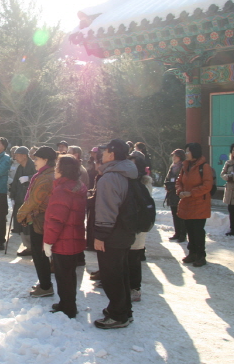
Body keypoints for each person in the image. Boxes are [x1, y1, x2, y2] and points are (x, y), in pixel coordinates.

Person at [93, 139, 138, 329]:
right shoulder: (128, 171)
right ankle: (124, 309)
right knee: (121, 273)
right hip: (125, 230)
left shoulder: (110, 177)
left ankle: (118, 315)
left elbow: (107, 209)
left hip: (112, 232)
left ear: (112, 154)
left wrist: (100, 235)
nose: (101, 154)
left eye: (104, 151)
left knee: (111, 275)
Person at [43, 155, 87, 318]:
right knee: (68, 275)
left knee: (64, 276)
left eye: (57, 167)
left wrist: (48, 241)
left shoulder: (62, 190)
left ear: (62, 170)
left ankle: (68, 307)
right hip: (73, 238)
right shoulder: (76, 186)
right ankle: (66, 303)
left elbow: (56, 220)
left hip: (63, 241)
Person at [17, 146, 57, 297]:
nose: (34, 161)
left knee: (39, 254)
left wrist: (21, 215)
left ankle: (46, 286)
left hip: (40, 220)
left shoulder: (45, 178)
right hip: (42, 217)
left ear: (45, 160)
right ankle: (44, 283)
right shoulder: (46, 174)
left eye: (37, 158)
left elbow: (33, 201)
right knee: (41, 253)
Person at [176, 142, 212, 267]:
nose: (186, 154)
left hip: (199, 203)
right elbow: (179, 181)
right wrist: (180, 191)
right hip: (187, 202)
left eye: (188, 151)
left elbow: (207, 185)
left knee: (198, 230)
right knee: (189, 229)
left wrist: (191, 193)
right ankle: (192, 253)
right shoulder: (185, 166)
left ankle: (201, 255)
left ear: (194, 152)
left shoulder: (204, 167)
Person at [128, 150, 153, 303]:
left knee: (134, 257)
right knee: (128, 257)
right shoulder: (132, 181)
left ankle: (135, 288)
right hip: (130, 225)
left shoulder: (144, 182)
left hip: (138, 225)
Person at [10, 146, 36, 256]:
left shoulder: (33, 166)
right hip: (19, 199)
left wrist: (29, 178)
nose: (15, 157)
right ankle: (28, 246)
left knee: (29, 224)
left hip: (30, 200)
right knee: (21, 223)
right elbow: (15, 182)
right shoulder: (20, 168)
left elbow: (38, 178)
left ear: (24, 156)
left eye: (17, 155)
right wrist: (12, 196)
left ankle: (33, 247)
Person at [165, 149, 187, 242]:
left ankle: (183, 234)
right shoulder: (172, 166)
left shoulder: (184, 167)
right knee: (174, 214)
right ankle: (177, 232)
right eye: (173, 156)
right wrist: (167, 185)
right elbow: (168, 178)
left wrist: (175, 186)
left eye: (176, 156)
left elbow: (183, 180)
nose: (174, 158)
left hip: (179, 192)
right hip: (172, 193)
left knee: (181, 214)